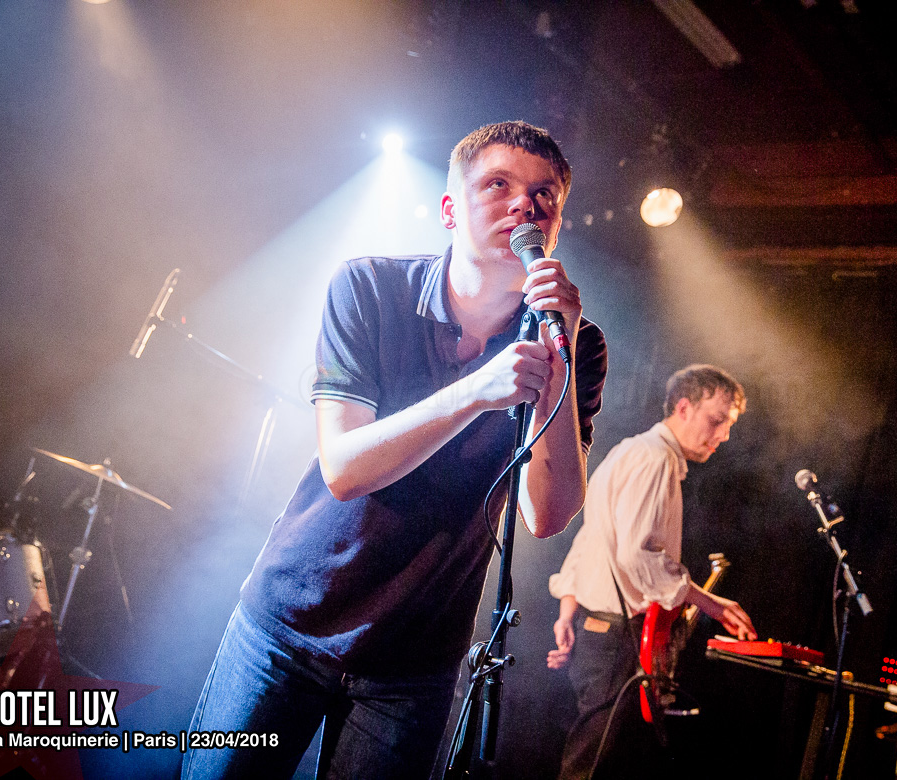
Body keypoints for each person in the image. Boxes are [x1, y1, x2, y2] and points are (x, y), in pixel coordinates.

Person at [183, 121, 607, 780]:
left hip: (415, 660)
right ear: (450, 210)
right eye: (499, 185)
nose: (525, 205)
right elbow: (344, 469)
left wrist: (562, 355)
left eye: (543, 195)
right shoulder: (370, 290)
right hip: (291, 624)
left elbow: (547, 516)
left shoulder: (576, 341)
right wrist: (478, 392)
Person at [546, 364, 756, 780]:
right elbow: (637, 555)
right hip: (615, 637)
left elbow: (592, 540)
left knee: (594, 760)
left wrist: (568, 612)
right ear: (684, 408)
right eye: (717, 421)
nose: (723, 435)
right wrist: (711, 603)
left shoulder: (630, 451)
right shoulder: (656, 459)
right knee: (593, 765)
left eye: (728, 425)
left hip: (598, 629)